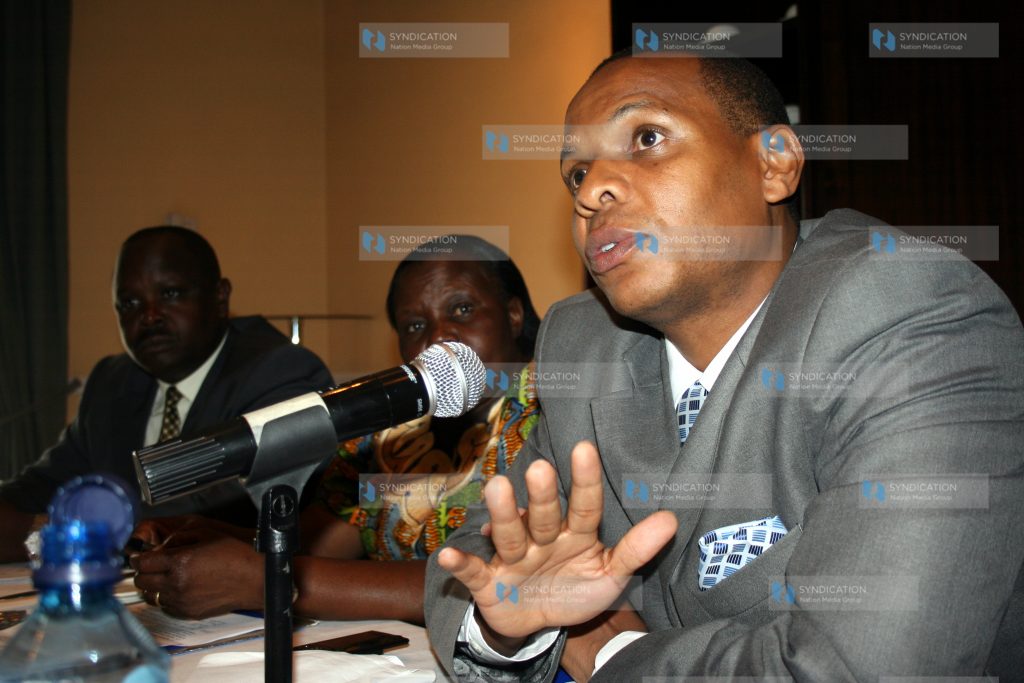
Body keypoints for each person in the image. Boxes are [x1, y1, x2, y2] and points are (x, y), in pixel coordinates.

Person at [424, 53, 1024, 681]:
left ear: (774, 164)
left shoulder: (905, 308)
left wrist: (606, 651)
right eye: (576, 173)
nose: (592, 189)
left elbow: (859, 668)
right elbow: (469, 565)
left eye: (647, 138)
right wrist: (512, 626)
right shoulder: (584, 342)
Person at [129, 235, 544, 623]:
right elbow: (321, 545)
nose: (438, 338)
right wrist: (206, 536)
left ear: (513, 314)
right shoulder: (392, 429)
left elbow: (495, 581)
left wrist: (267, 583)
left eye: (462, 310)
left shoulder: (550, 412)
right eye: (414, 325)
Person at [0, 226, 333, 562]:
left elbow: (222, 502)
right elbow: (42, 485)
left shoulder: (279, 371)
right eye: (129, 303)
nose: (149, 316)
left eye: (171, 294)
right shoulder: (112, 381)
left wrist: (63, 528)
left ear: (220, 298)